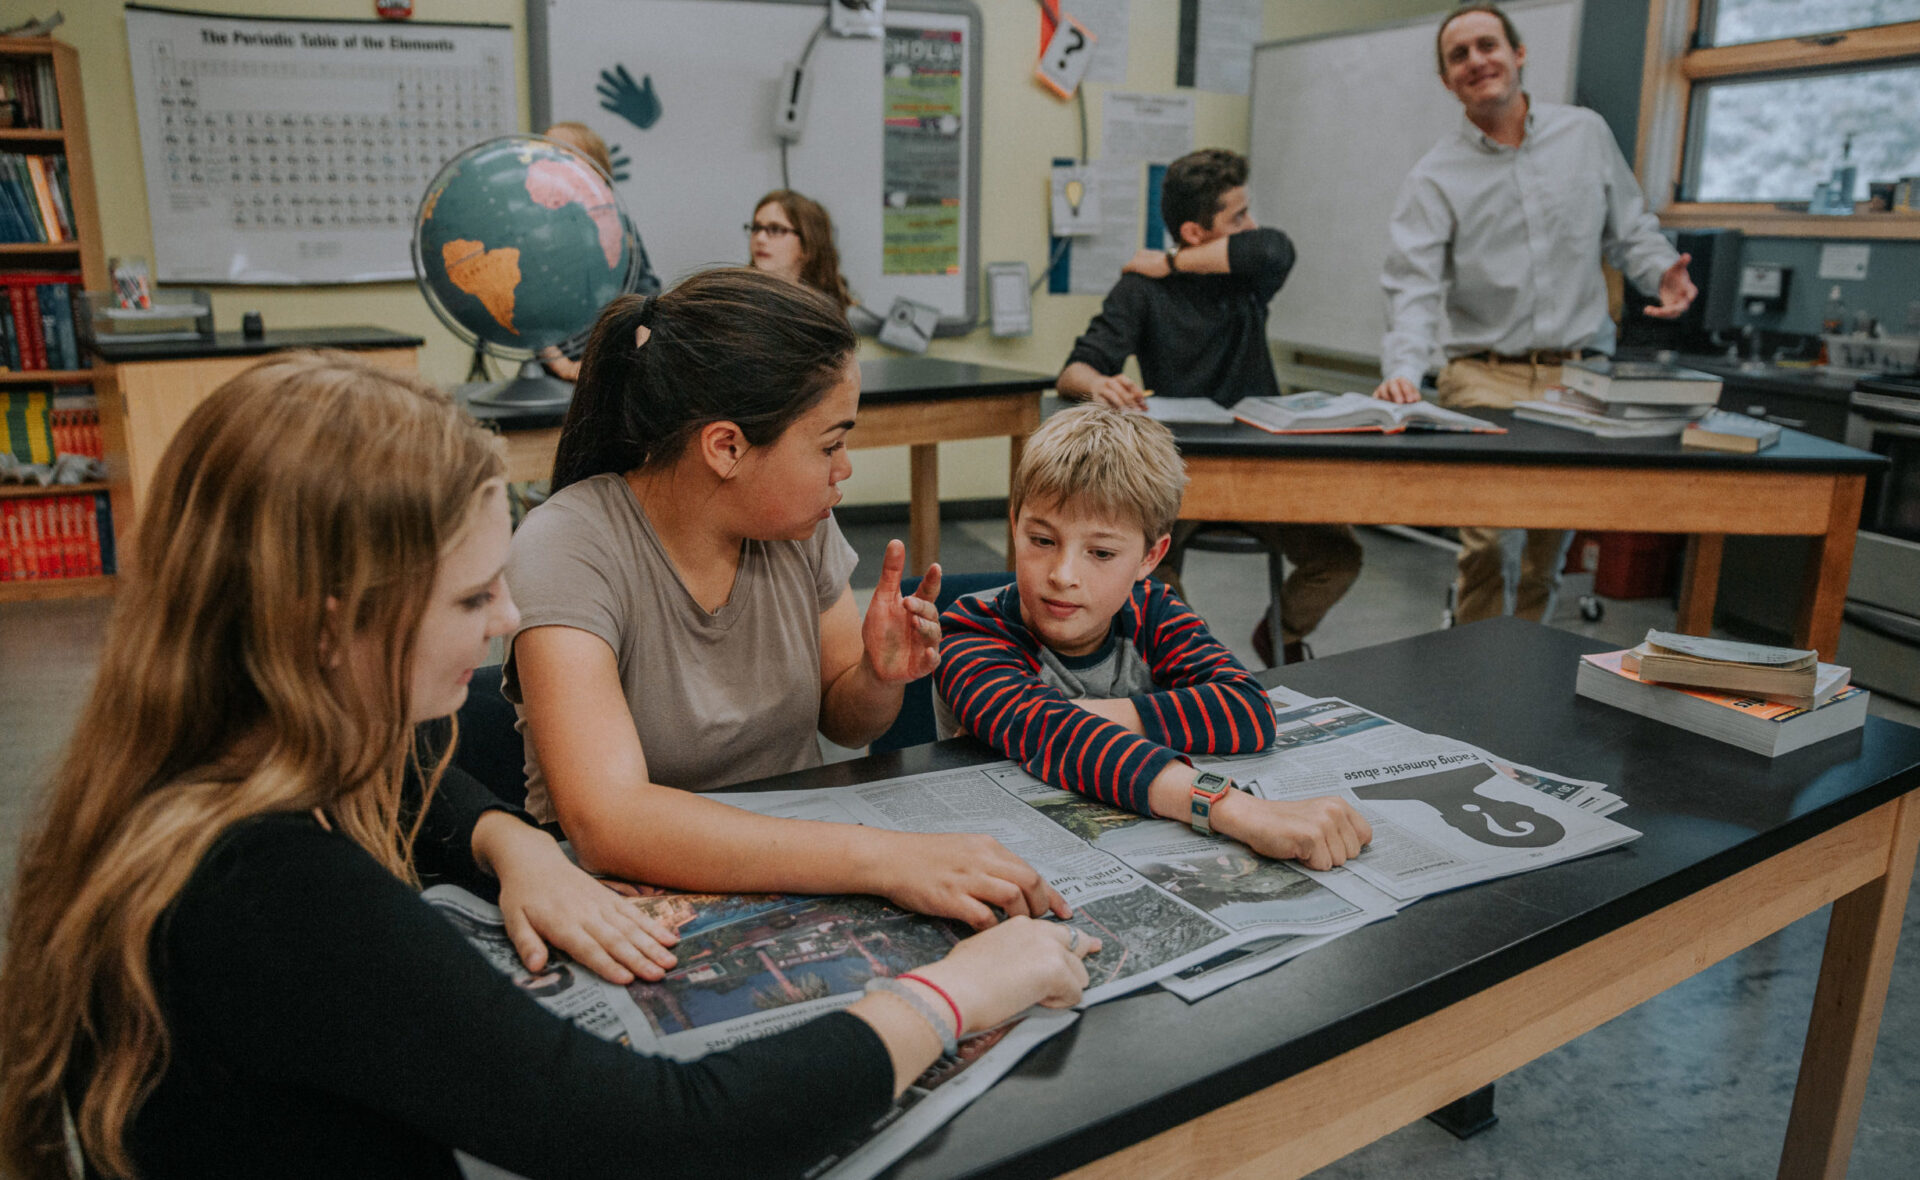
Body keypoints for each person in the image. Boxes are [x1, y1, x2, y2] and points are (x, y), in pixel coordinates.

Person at [0, 352, 1097, 1179]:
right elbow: (667, 1135)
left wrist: (508, 837)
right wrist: (960, 989)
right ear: (335, 625)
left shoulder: (195, 752)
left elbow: (423, 768)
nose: (509, 621)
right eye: (474, 598)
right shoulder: (277, 891)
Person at [505, 268, 1067, 929]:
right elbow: (608, 820)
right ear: (726, 447)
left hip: (797, 861)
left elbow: (844, 719)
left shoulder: (797, 524)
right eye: (830, 443)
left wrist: (880, 677)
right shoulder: (567, 544)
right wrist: (883, 859)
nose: (845, 468)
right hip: (632, 895)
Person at [933, 405, 1372, 872]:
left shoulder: (1152, 609)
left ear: (1150, 556)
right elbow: (1051, 733)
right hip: (1007, 852)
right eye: (1042, 540)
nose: (1062, 575)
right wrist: (1234, 808)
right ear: (1015, 521)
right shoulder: (970, 630)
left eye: (1100, 552)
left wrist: (1069, 717)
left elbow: (1248, 709)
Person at [1371, 3, 1696, 625]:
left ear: (1517, 54)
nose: (1476, 62)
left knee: (1549, 548)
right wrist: (1403, 372)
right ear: (1447, 81)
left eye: (1487, 45)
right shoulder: (1433, 176)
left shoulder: (1585, 134)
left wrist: (1662, 272)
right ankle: (1472, 676)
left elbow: (1629, 230)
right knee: (1492, 543)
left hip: (1578, 378)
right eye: (1458, 55)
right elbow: (1413, 288)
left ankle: (1522, 679)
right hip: (1483, 375)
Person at [1057, 147, 1362, 667]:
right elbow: (1073, 371)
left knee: (1339, 555)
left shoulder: (1245, 278)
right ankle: (1202, 663)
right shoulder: (1141, 291)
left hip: (1265, 471)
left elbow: (1271, 250)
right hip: (1183, 474)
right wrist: (1102, 384)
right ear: (1196, 231)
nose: (1253, 225)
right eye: (1237, 217)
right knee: (1151, 567)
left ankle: (1281, 634)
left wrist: (1171, 260)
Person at [538, 121, 660, 382]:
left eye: (563, 157)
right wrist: (563, 366)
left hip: (616, 365)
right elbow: (528, 308)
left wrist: (639, 357)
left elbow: (646, 295)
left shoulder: (619, 226)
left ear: (595, 172)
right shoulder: (536, 233)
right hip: (555, 373)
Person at [747, 188, 855, 312]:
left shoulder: (822, 314)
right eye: (756, 228)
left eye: (776, 229)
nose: (760, 238)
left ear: (807, 245)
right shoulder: (737, 299)